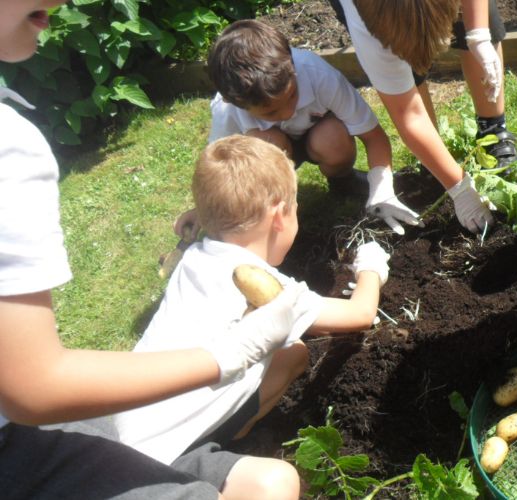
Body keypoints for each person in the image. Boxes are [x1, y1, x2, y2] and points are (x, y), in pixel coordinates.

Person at [0, 2, 315, 499]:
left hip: (60, 425)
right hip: (23, 447)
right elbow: (30, 388)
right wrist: (229, 353)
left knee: (274, 481)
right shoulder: (8, 146)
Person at [113, 135, 389, 481]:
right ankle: (221, 440)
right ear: (278, 216)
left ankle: (232, 425)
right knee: (294, 359)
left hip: (123, 413)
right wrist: (372, 269)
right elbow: (360, 315)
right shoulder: (276, 292)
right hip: (156, 462)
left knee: (294, 351)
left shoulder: (193, 259)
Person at [192, 19, 420, 237]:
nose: (287, 112)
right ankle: (275, 206)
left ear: (292, 68)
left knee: (333, 139)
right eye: (271, 112)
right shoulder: (227, 110)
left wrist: (382, 185)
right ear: (236, 103)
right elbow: (219, 169)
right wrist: (202, 212)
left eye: (292, 95)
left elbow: (373, 136)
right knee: (267, 144)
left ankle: (342, 180)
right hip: (271, 147)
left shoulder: (318, 75)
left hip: (318, 136)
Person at [325, 0, 516, 234]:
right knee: (406, 68)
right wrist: (461, 189)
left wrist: (478, 35)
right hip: (381, 17)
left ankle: (493, 130)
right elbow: (409, 115)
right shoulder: (369, 28)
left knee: (482, 18)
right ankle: (434, 164)